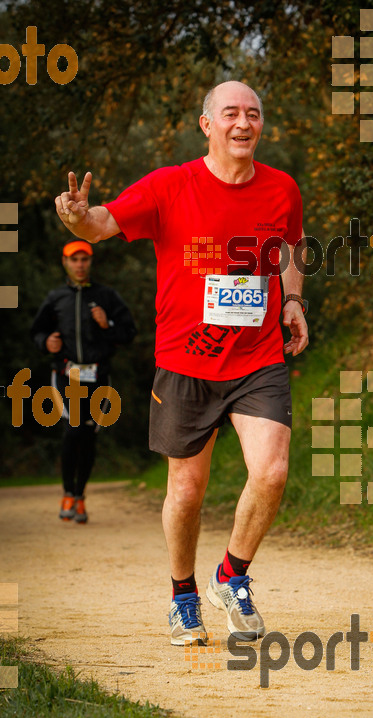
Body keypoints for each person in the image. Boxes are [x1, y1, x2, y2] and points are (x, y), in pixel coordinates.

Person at [54, 80, 308, 644]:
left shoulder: (282, 189)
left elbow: (291, 247)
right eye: (231, 114)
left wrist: (291, 299)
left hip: (257, 356)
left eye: (253, 114)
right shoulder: (171, 186)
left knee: (271, 472)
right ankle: (183, 595)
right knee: (186, 492)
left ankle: (232, 576)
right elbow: (101, 224)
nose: (243, 123)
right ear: (207, 124)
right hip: (186, 360)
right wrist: (77, 220)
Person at [31, 240, 137, 523]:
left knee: (88, 436)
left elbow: (128, 333)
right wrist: (46, 342)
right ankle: (68, 493)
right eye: (74, 259)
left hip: (99, 378)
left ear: (90, 263)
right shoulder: (56, 298)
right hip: (67, 376)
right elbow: (37, 332)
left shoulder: (107, 296)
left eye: (84, 260)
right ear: (65, 262)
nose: (80, 265)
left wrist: (108, 325)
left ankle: (79, 496)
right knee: (73, 430)